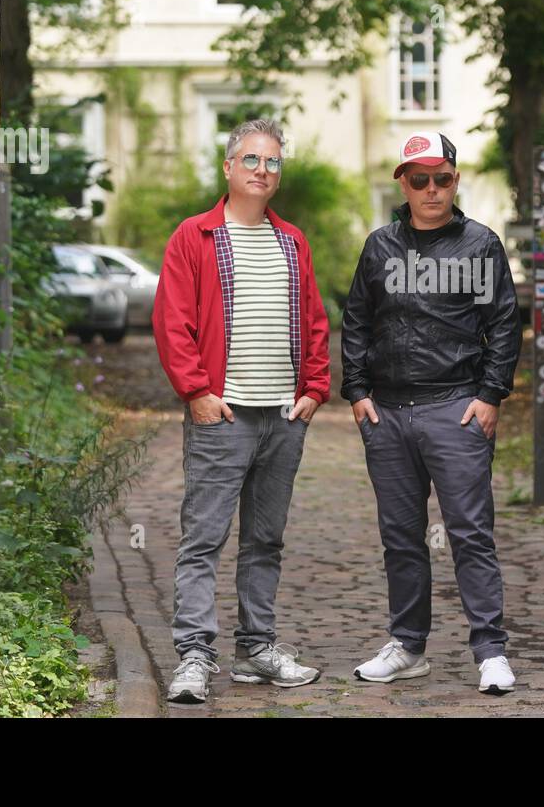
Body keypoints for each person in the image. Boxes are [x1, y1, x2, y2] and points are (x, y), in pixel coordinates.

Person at [152, 118, 331, 701]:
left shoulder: (292, 241)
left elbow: (315, 321)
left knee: (265, 540)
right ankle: (194, 658)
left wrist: (313, 392)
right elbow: (172, 321)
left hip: (282, 417)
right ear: (228, 168)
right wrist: (197, 393)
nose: (262, 170)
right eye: (251, 160)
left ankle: (256, 649)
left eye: (273, 162)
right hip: (221, 418)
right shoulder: (194, 237)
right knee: (202, 538)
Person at [341, 131, 522, 694]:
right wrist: (357, 391)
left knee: (470, 532)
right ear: (403, 183)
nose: (432, 189)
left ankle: (490, 650)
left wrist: (490, 396)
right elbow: (356, 321)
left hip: (455, 408)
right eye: (419, 179)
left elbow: (505, 325)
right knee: (401, 535)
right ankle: (408, 645)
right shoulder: (379, 247)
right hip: (388, 414)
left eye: (442, 178)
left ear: (455, 180)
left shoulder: (481, 244)